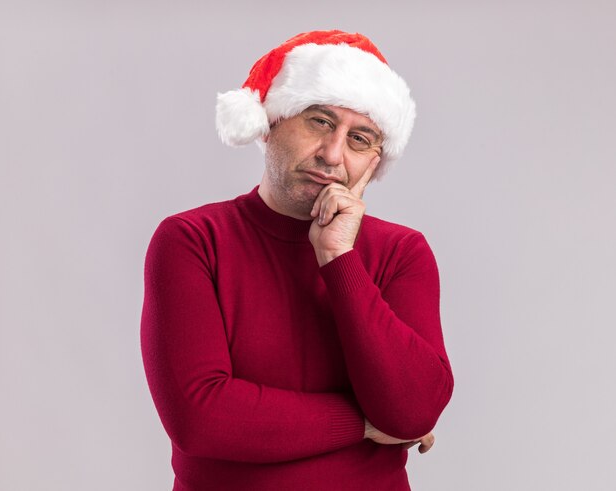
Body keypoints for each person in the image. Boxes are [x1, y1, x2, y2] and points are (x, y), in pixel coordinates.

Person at [140, 30, 454, 491]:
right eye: (320, 122)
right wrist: (364, 424)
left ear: (374, 162)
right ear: (270, 122)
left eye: (359, 138)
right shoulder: (192, 240)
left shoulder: (400, 252)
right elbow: (201, 419)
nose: (332, 155)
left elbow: (412, 411)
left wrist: (338, 257)